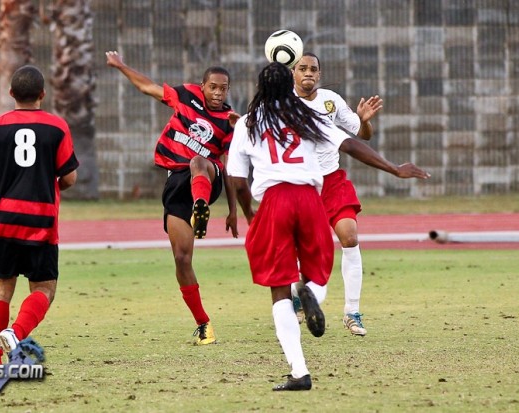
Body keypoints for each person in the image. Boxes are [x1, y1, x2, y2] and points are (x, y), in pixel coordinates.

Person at [105, 50, 239, 345]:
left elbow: (229, 168)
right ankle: (203, 324)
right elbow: (148, 87)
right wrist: (121, 65)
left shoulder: (229, 121)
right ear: (202, 86)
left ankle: (201, 206)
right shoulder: (186, 96)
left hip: (209, 177)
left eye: (223, 88)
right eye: (213, 87)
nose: (218, 93)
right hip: (177, 183)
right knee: (181, 259)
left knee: (198, 161)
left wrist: (233, 210)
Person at [227, 62, 336, 391]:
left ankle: (300, 372)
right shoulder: (308, 115)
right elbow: (347, 144)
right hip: (308, 197)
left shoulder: (248, 122)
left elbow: (237, 179)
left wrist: (248, 212)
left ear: (259, 87)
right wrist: (394, 168)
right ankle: (312, 294)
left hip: (274, 201)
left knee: (278, 290)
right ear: (290, 86)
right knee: (319, 271)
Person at [0, 65, 79, 365]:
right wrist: (49, 183)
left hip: (3, 220)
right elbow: (69, 178)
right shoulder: (57, 127)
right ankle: (15, 333)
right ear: (43, 94)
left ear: (11, 93)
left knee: (1, 288)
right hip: (41, 221)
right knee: (44, 288)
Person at [292, 52, 393, 335]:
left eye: (313, 69)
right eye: (302, 68)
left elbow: (363, 134)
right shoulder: (283, 103)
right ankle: (297, 298)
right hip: (300, 184)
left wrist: (365, 120)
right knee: (302, 249)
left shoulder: (331, 100)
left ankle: (352, 312)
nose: (308, 73)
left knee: (350, 238)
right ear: (293, 73)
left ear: (319, 74)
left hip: (333, 182)